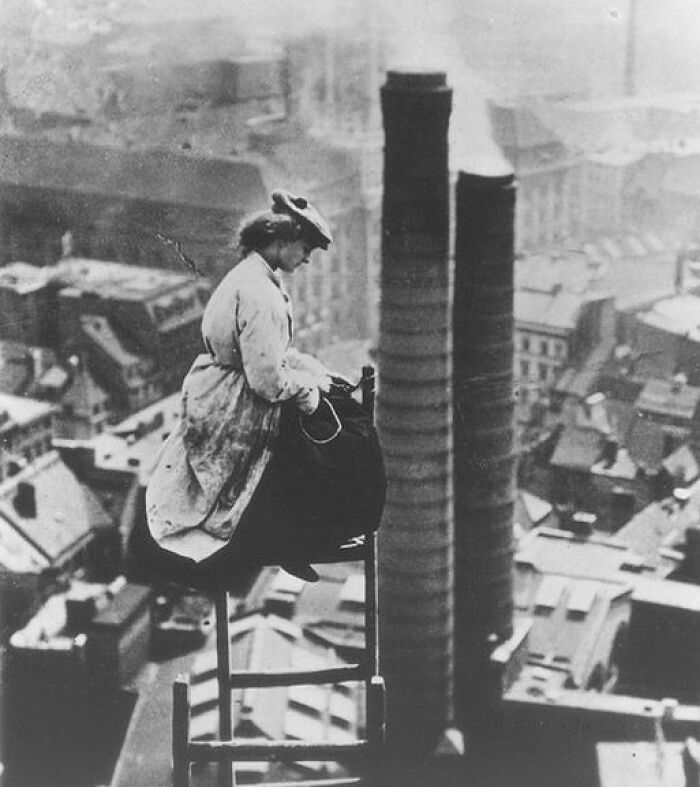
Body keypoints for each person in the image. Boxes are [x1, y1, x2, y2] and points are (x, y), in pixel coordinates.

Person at [145, 189, 341, 585]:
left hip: (221, 389)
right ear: (281, 241)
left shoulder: (249, 277)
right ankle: (290, 545)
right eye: (305, 249)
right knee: (306, 459)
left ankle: (277, 541)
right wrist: (308, 393)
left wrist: (309, 369)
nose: (306, 260)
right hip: (240, 401)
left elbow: (268, 353)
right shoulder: (259, 293)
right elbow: (267, 383)